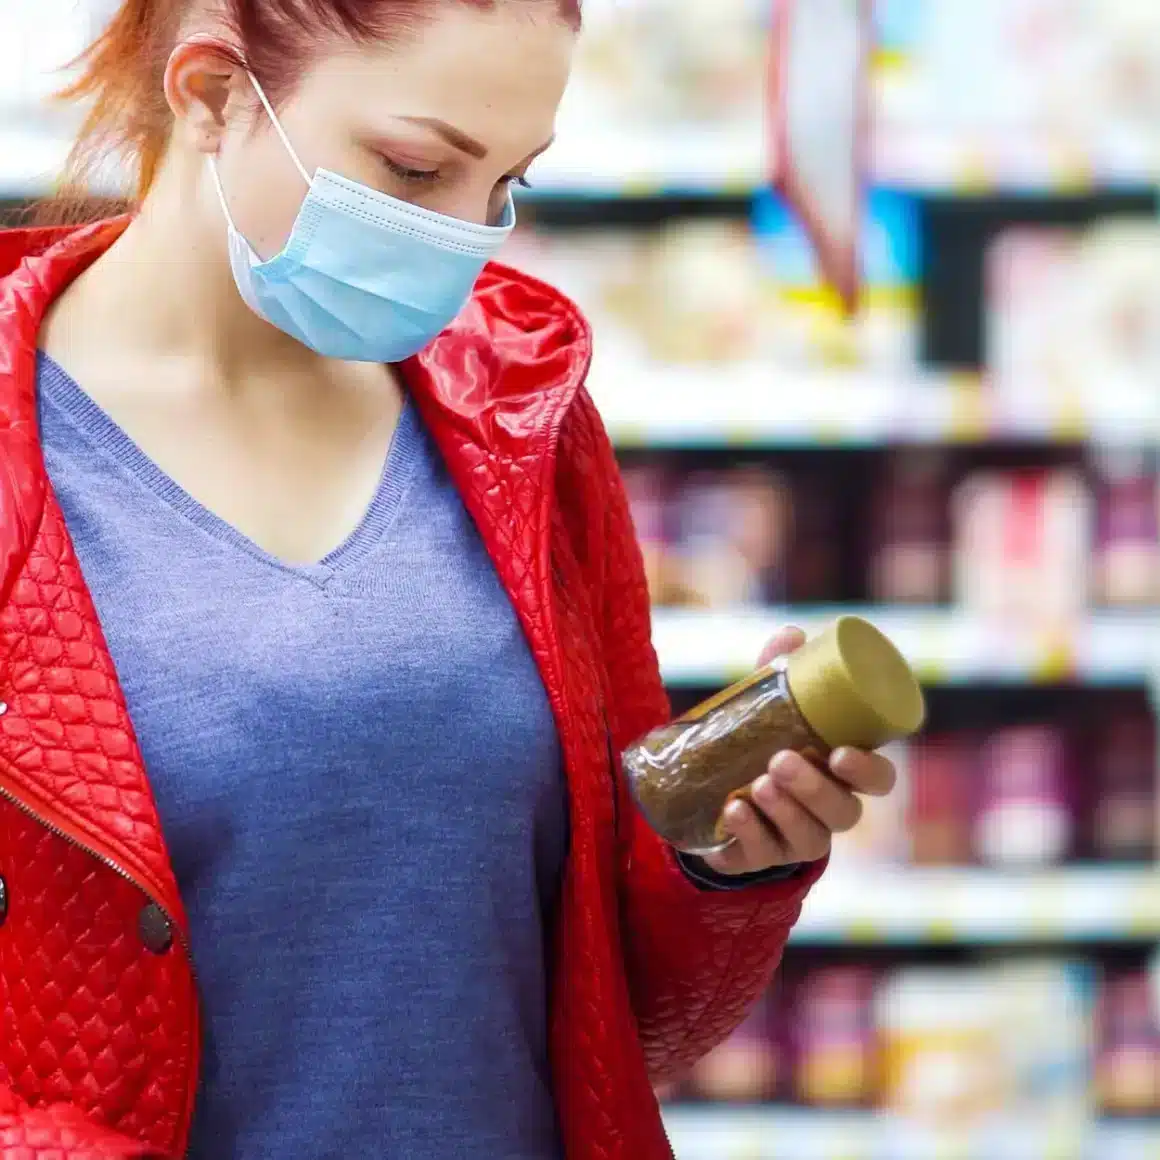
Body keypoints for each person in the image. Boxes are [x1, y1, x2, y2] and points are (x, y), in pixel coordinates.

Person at [0, 2, 898, 1158]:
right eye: (414, 168)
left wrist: (720, 864)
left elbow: (613, 1025)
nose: (463, 240)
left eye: (507, 183)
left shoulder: (523, 426)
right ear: (215, 94)